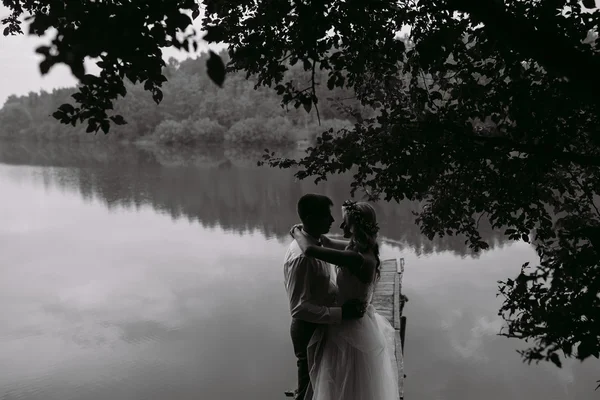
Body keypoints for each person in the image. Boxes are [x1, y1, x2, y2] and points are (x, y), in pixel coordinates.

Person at [290, 199, 400, 400]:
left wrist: (297, 232)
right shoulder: (361, 248)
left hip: (349, 327)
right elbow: (328, 242)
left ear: (355, 227)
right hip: (353, 320)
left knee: (345, 380)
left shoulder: (357, 258)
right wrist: (309, 229)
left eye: (345, 223)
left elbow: (311, 251)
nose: (340, 226)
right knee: (343, 380)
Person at [283, 194, 367, 400]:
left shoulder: (318, 244)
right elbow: (299, 308)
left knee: (323, 383)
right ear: (310, 218)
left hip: (323, 322)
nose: (332, 221)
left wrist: (296, 230)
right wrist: (341, 312)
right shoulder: (302, 258)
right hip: (308, 327)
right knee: (308, 387)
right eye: (327, 216)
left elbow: (321, 282)